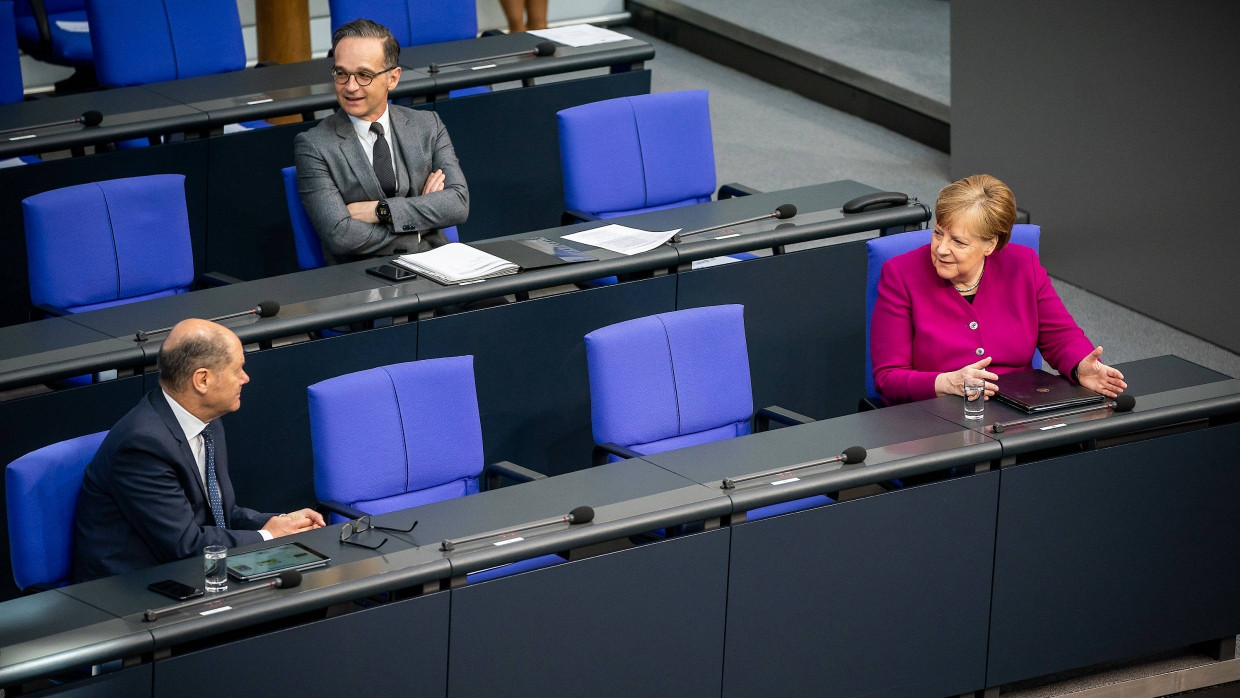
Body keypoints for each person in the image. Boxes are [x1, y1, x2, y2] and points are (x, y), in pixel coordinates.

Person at [72, 319, 324, 582]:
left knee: (307, 581)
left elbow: (221, 514)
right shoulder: (142, 445)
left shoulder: (206, 421)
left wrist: (278, 523)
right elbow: (184, 545)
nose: (245, 378)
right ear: (202, 380)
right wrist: (268, 536)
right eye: (237, 369)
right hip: (134, 586)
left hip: (190, 565)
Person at [870, 174, 1127, 405]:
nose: (941, 248)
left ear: (990, 244)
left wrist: (1081, 365)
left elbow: (1061, 337)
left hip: (1019, 409)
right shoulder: (900, 274)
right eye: (938, 233)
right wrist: (946, 383)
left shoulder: (1023, 265)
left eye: (958, 241)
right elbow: (888, 377)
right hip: (935, 414)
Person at [295, 18, 469, 264]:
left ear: (393, 78)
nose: (350, 87)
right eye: (341, 74)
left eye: (364, 75)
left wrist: (381, 211)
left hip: (437, 264)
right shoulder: (314, 145)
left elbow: (457, 203)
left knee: (501, 299)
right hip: (364, 278)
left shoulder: (428, 125)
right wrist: (419, 228)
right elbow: (341, 235)